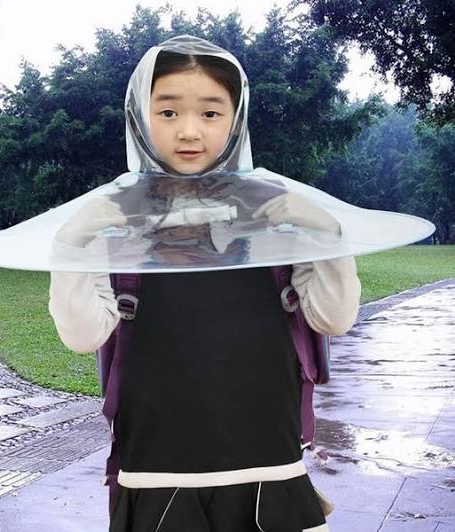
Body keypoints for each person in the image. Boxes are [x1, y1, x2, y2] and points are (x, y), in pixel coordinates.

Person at [48, 35, 361, 531]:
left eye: (211, 113)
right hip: (157, 471)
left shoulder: (275, 214)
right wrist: (71, 245)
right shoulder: (113, 222)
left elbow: (334, 319)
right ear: (139, 115)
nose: (189, 131)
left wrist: (328, 234)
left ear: (236, 119)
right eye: (168, 112)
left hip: (268, 465)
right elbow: (82, 337)